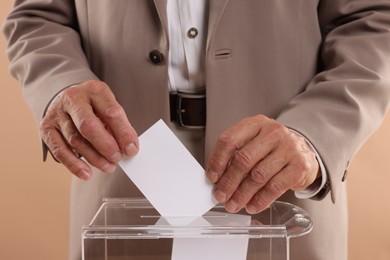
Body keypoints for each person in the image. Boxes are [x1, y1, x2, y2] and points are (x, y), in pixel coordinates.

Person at [3, 1, 390, 259]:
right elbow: (38, 15)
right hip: (120, 178)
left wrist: (314, 133)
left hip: (279, 185)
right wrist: (59, 85)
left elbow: (374, 20)